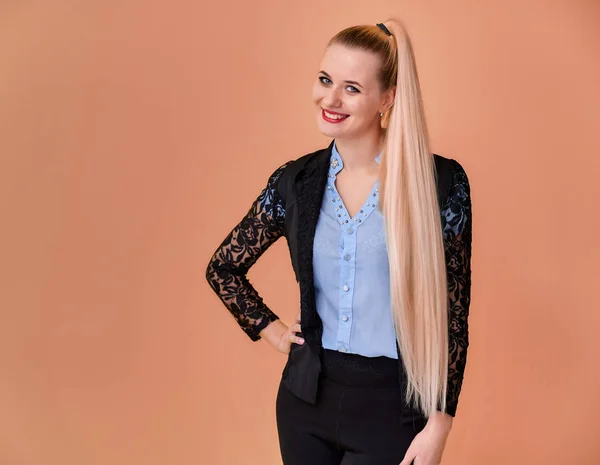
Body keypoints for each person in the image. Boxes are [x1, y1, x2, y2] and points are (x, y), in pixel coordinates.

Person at [205, 18, 472, 465]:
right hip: (305, 403)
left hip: (394, 411)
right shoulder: (296, 181)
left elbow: (453, 313)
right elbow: (223, 267)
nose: (330, 99)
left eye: (351, 88)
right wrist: (271, 331)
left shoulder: (439, 183)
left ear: (387, 99)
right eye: (326, 79)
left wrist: (439, 425)